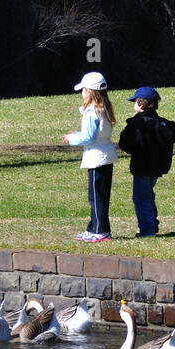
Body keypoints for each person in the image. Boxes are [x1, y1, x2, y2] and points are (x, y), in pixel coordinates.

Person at [117, 86, 175, 237]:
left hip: (142, 167)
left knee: (141, 198)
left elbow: (125, 143)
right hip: (157, 167)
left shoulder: (137, 123)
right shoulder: (162, 123)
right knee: (148, 195)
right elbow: (174, 135)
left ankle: (147, 228)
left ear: (140, 104)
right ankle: (152, 223)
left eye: (134, 102)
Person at [62, 71, 117, 242]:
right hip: (105, 155)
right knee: (99, 196)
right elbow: (96, 133)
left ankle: (100, 230)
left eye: (83, 90)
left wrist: (71, 139)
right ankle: (95, 227)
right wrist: (78, 133)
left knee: (96, 197)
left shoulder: (92, 111)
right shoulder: (105, 108)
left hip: (96, 158)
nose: (82, 93)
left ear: (89, 92)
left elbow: (89, 137)